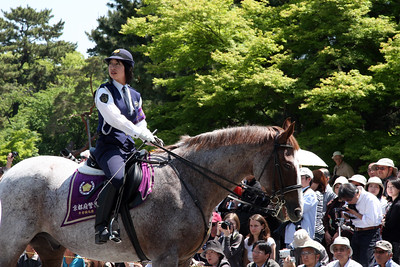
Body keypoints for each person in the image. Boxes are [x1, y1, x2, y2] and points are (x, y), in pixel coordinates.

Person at [92, 48, 162, 244]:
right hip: (109, 147)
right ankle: (101, 227)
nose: (112, 67)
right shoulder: (104, 92)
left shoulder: (135, 95)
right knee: (118, 178)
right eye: (110, 64)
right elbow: (116, 119)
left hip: (128, 147)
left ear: (127, 68)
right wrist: (140, 133)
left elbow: (140, 122)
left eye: (118, 64)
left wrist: (151, 138)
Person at [338, 183, 383, 267]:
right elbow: (349, 218)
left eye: (349, 200)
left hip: (370, 233)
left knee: (366, 262)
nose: (348, 202)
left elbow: (371, 221)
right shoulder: (349, 197)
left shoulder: (369, 199)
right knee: (354, 261)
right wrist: (346, 214)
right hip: (357, 231)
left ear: (356, 194)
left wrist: (354, 213)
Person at [285, 167, 317, 246]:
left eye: (301, 178)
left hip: (304, 234)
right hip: (290, 234)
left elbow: (299, 210)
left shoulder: (310, 194)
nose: (298, 180)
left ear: (309, 179)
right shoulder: (297, 193)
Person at [323, 176, 353, 261]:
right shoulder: (331, 203)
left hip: (345, 234)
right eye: (337, 187)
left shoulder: (349, 203)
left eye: (341, 186)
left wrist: (338, 233)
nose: (339, 189)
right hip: (330, 234)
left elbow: (348, 220)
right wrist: (327, 232)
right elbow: (326, 219)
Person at [382, 177, 400, 264]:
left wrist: (383, 222)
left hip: (395, 239)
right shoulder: (392, 203)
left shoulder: (398, 205)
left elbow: (391, 224)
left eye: (392, 187)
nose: (389, 189)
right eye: (388, 186)